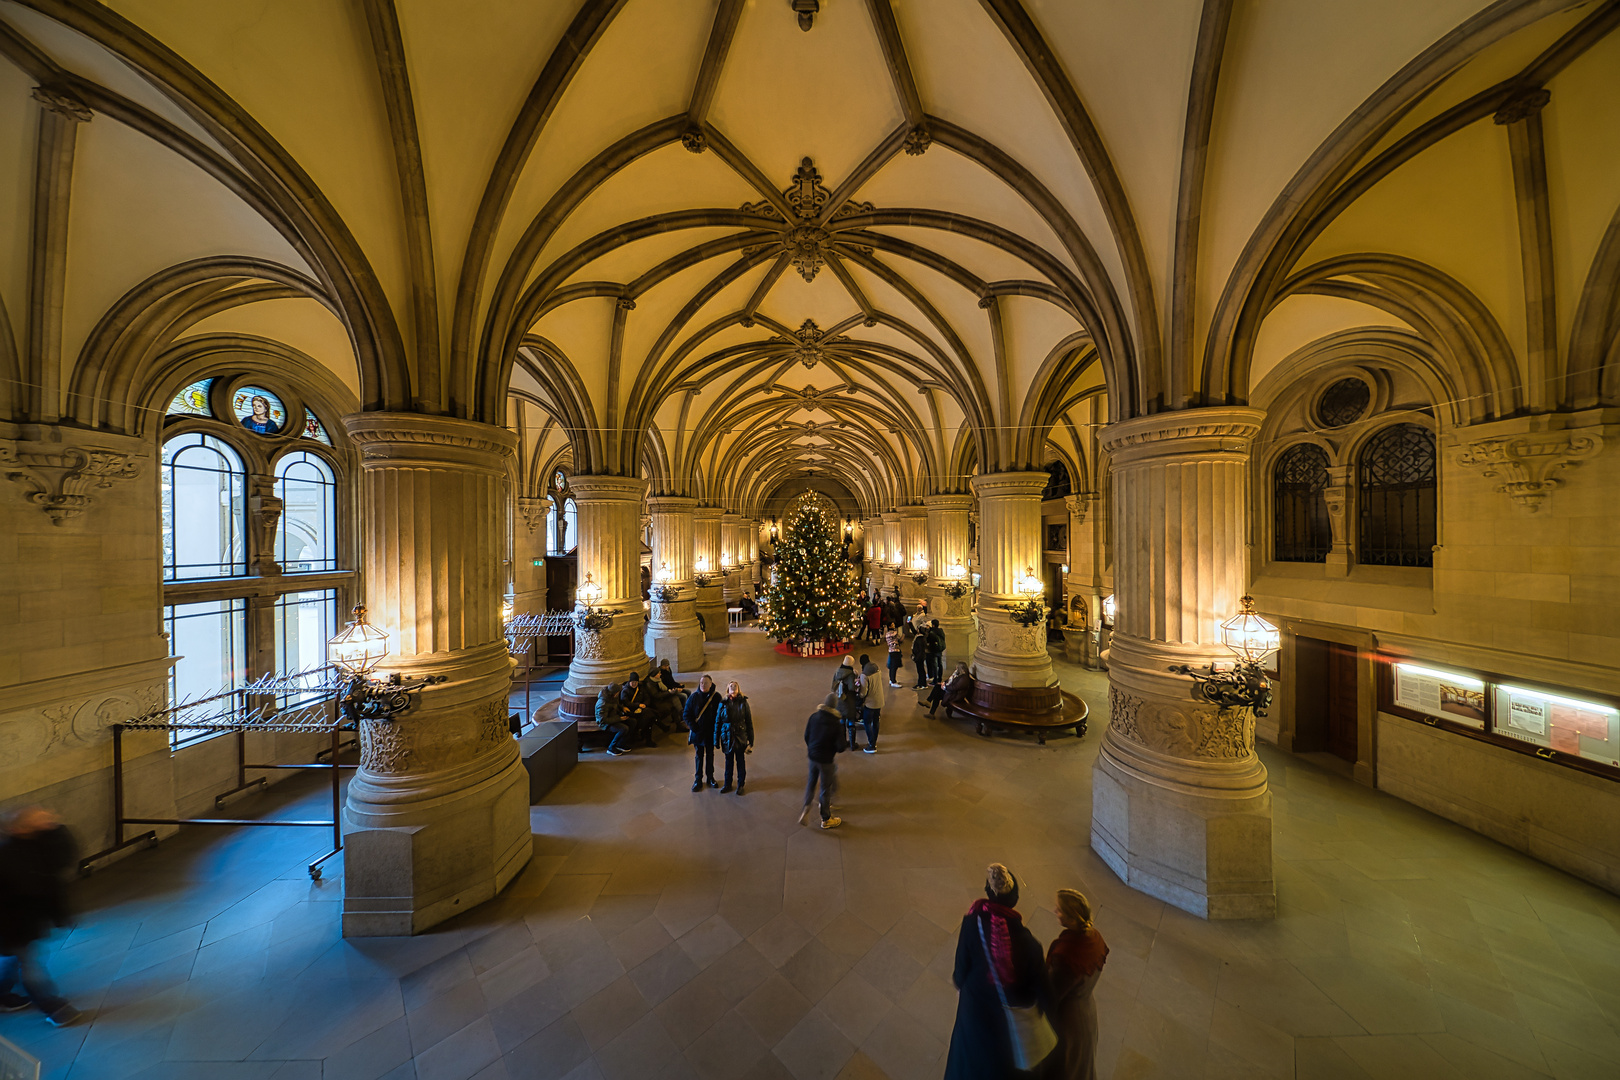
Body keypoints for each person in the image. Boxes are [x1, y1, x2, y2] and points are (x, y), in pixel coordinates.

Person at [944, 864, 1050, 1080]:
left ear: (988, 893)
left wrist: (962, 988)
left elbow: (961, 970)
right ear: (1015, 899)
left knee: (967, 1063)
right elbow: (1043, 992)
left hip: (974, 1011)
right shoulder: (1030, 944)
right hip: (1009, 1026)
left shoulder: (973, 922)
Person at [0, 807, 81, 1026]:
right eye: (39, 820)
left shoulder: (36, 846)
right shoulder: (8, 855)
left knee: (14, 957)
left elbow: (64, 858)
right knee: (29, 965)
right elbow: (32, 887)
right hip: (11, 924)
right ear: (20, 828)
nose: (48, 821)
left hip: (25, 921)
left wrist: (54, 828)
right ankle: (54, 1007)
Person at [1043, 890, 1109, 1080]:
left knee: (1065, 1069)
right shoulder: (1094, 937)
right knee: (1082, 1067)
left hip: (1068, 1022)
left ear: (1072, 919)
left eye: (1060, 910)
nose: (1055, 910)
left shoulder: (1066, 954)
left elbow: (1052, 994)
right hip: (1087, 1012)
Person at [799, 694, 846, 829]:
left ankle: (806, 806)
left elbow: (806, 736)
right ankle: (826, 818)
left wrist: (812, 748)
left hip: (813, 757)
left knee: (811, 783)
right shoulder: (836, 724)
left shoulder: (813, 717)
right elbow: (841, 747)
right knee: (825, 788)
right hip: (826, 760)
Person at [717, 680, 754, 794]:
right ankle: (728, 784)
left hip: (739, 737)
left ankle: (740, 784)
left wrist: (751, 741)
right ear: (728, 690)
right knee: (728, 762)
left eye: (735, 688)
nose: (733, 691)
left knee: (740, 761)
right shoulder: (723, 703)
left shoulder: (743, 703)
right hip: (727, 737)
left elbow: (749, 722)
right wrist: (716, 739)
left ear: (738, 690)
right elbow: (718, 722)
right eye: (731, 688)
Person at [685, 675, 721, 791]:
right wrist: (694, 727)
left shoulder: (716, 697)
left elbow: (720, 715)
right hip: (698, 733)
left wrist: (718, 729)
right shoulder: (694, 697)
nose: (703, 685)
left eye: (706, 683)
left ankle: (710, 778)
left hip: (710, 733)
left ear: (711, 684)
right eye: (701, 683)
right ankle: (698, 780)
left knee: (710, 755)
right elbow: (686, 714)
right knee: (699, 757)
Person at [832, 655, 862, 747]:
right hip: (848, 700)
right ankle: (852, 744)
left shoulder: (837, 671)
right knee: (851, 722)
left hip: (839, 700)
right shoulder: (850, 673)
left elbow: (833, 686)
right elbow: (851, 688)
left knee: (841, 722)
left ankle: (843, 743)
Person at [620, 672, 657, 746]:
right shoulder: (625, 690)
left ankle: (648, 740)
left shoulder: (640, 688)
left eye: (636, 682)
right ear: (629, 682)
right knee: (650, 714)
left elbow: (647, 698)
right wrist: (638, 705)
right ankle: (659, 723)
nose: (634, 684)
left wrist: (644, 705)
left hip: (641, 710)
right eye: (632, 682)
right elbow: (626, 703)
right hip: (631, 711)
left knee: (649, 717)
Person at [596, 683, 632, 756]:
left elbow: (616, 704)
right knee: (623, 728)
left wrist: (622, 707)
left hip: (614, 718)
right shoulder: (603, 703)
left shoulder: (612, 697)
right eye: (618, 692)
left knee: (632, 722)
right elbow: (603, 720)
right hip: (605, 724)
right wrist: (619, 718)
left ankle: (620, 744)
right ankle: (611, 747)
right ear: (614, 693)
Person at [859, 658, 884, 753]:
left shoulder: (864, 675)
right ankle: (874, 742)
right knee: (876, 721)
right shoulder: (877, 670)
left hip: (870, 703)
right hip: (879, 700)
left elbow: (863, 693)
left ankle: (871, 745)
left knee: (867, 722)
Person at [925, 619, 947, 684]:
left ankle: (935, 680)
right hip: (940, 649)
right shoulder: (941, 631)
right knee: (940, 664)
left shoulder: (931, 632)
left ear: (933, 625)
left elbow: (928, 641)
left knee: (934, 665)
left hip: (934, 650)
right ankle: (939, 678)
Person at [910, 624, 929, 689]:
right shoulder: (921, 637)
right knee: (921, 670)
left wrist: (916, 658)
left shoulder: (920, 639)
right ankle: (923, 684)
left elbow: (920, 650)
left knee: (920, 671)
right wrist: (910, 623)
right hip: (920, 656)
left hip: (919, 657)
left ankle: (921, 684)